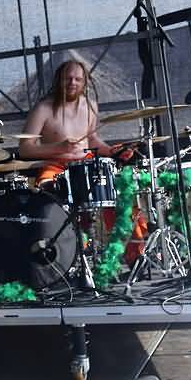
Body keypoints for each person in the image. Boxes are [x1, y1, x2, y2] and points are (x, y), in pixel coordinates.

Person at [19, 59, 146, 262]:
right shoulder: (43, 108)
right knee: (47, 191)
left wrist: (112, 151)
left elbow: (91, 140)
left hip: (87, 162)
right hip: (56, 165)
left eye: (78, 79)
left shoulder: (90, 105)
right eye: (68, 78)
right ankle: (63, 255)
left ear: (85, 82)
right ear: (58, 79)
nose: (72, 83)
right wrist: (58, 147)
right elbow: (25, 149)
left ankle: (135, 255)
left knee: (120, 191)